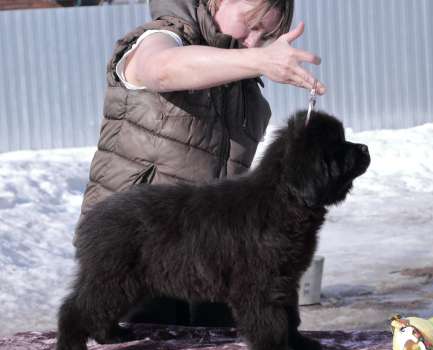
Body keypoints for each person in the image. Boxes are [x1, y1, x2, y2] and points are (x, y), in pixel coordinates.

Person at [78, 0, 326, 326]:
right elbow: (161, 69)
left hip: (212, 251)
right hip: (140, 247)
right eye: (250, 24)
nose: (252, 41)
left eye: (266, 34)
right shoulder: (159, 37)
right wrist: (260, 59)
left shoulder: (244, 90)